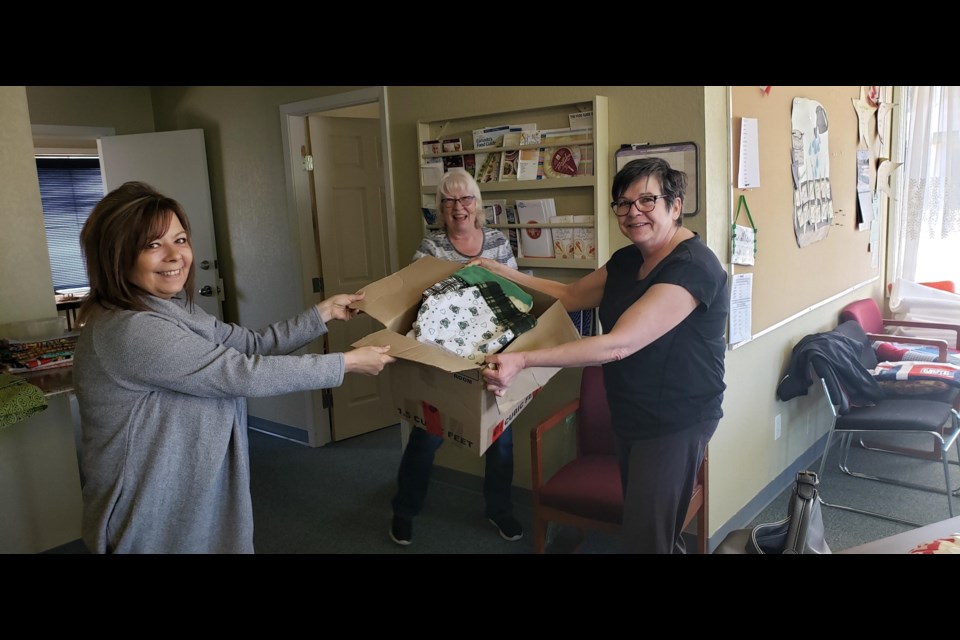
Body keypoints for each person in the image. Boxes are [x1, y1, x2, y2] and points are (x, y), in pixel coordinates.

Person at [73, 181, 395, 554]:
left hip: (189, 489)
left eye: (180, 240)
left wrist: (323, 314)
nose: (175, 256)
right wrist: (347, 363)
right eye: (152, 245)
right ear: (116, 256)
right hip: (148, 507)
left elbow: (251, 345)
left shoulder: (175, 310)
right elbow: (242, 373)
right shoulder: (130, 330)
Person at [475, 158, 728, 554]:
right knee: (652, 529)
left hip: (675, 421)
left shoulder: (694, 267)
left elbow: (619, 343)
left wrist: (523, 360)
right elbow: (571, 296)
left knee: (647, 540)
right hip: (630, 411)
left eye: (647, 200)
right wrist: (499, 272)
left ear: (675, 206)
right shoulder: (628, 259)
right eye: (623, 204)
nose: (633, 213)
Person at [390, 168, 522, 546]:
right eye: (448, 200)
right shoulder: (431, 249)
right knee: (426, 439)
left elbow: (514, 295)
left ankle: (500, 511)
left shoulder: (497, 241)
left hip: (493, 358)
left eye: (465, 199)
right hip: (443, 361)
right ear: (440, 208)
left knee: (501, 442)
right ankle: (403, 510)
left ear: (477, 204)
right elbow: (414, 300)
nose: (457, 207)